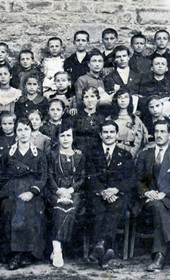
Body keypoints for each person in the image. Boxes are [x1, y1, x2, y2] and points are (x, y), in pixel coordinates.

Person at [0, 117, 47, 270]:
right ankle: (14, 254)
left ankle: (27, 253)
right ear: (16, 132)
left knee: (31, 208)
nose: (23, 133)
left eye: (26, 129)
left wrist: (32, 192)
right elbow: (2, 175)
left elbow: (43, 177)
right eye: (20, 129)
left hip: (32, 189)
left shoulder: (38, 154)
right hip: (11, 189)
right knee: (9, 207)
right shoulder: (8, 153)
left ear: (31, 131)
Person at [86, 120, 134, 267]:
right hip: (98, 194)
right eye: (105, 132)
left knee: (115, 208)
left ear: (117, 134)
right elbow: (89, 176)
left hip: (117, 194)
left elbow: (131, 178)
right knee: (99, 209)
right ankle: (106, 250)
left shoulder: (125, 155)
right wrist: (103, 191)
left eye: (112, 132)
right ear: (100, 134)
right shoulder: (92, 153)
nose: (109, 135)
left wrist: (115, 189)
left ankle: (100, 245)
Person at [47, 122, 85, 268]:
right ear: (57, 138)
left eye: (68, 135)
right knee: (58, 206)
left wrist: (70, 190)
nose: (66, 139)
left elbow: (82, 177)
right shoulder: (51, 155)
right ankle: (57, 249)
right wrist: (59, 190)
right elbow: (49, 176)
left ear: (73, 137)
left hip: (73, 191)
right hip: (55, 190)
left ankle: (57, 246)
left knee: (71, 207)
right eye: (62, 136)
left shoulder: (79, 156)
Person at [136, 119, 170, 272]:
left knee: (161, 208)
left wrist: (165, 193)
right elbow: (138, 179)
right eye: (156, 131)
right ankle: (160, 255)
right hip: (150, 200)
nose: (159, 135)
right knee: (158, 208)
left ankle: (161, 254)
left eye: (163, 131)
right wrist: (146, 191)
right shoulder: (145, 155)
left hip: (168, 197)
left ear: (169, 134)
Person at [109, 89, 148, 159]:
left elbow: (138, 141)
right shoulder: (110, 119)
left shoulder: (136, 120)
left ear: (130, 100)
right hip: (112, 154)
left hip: (130, 153)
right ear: (116, 100)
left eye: (126, 97)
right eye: (120, 97)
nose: (123, 100)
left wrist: (131, 155)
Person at [74, 86, 105, 156]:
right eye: (86, 97)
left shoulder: (102, 117)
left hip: (96, 153)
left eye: (92, 96)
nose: (89, 100)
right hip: (78, 152)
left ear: (98, 99)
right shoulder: (76, 116)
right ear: (82, 100)